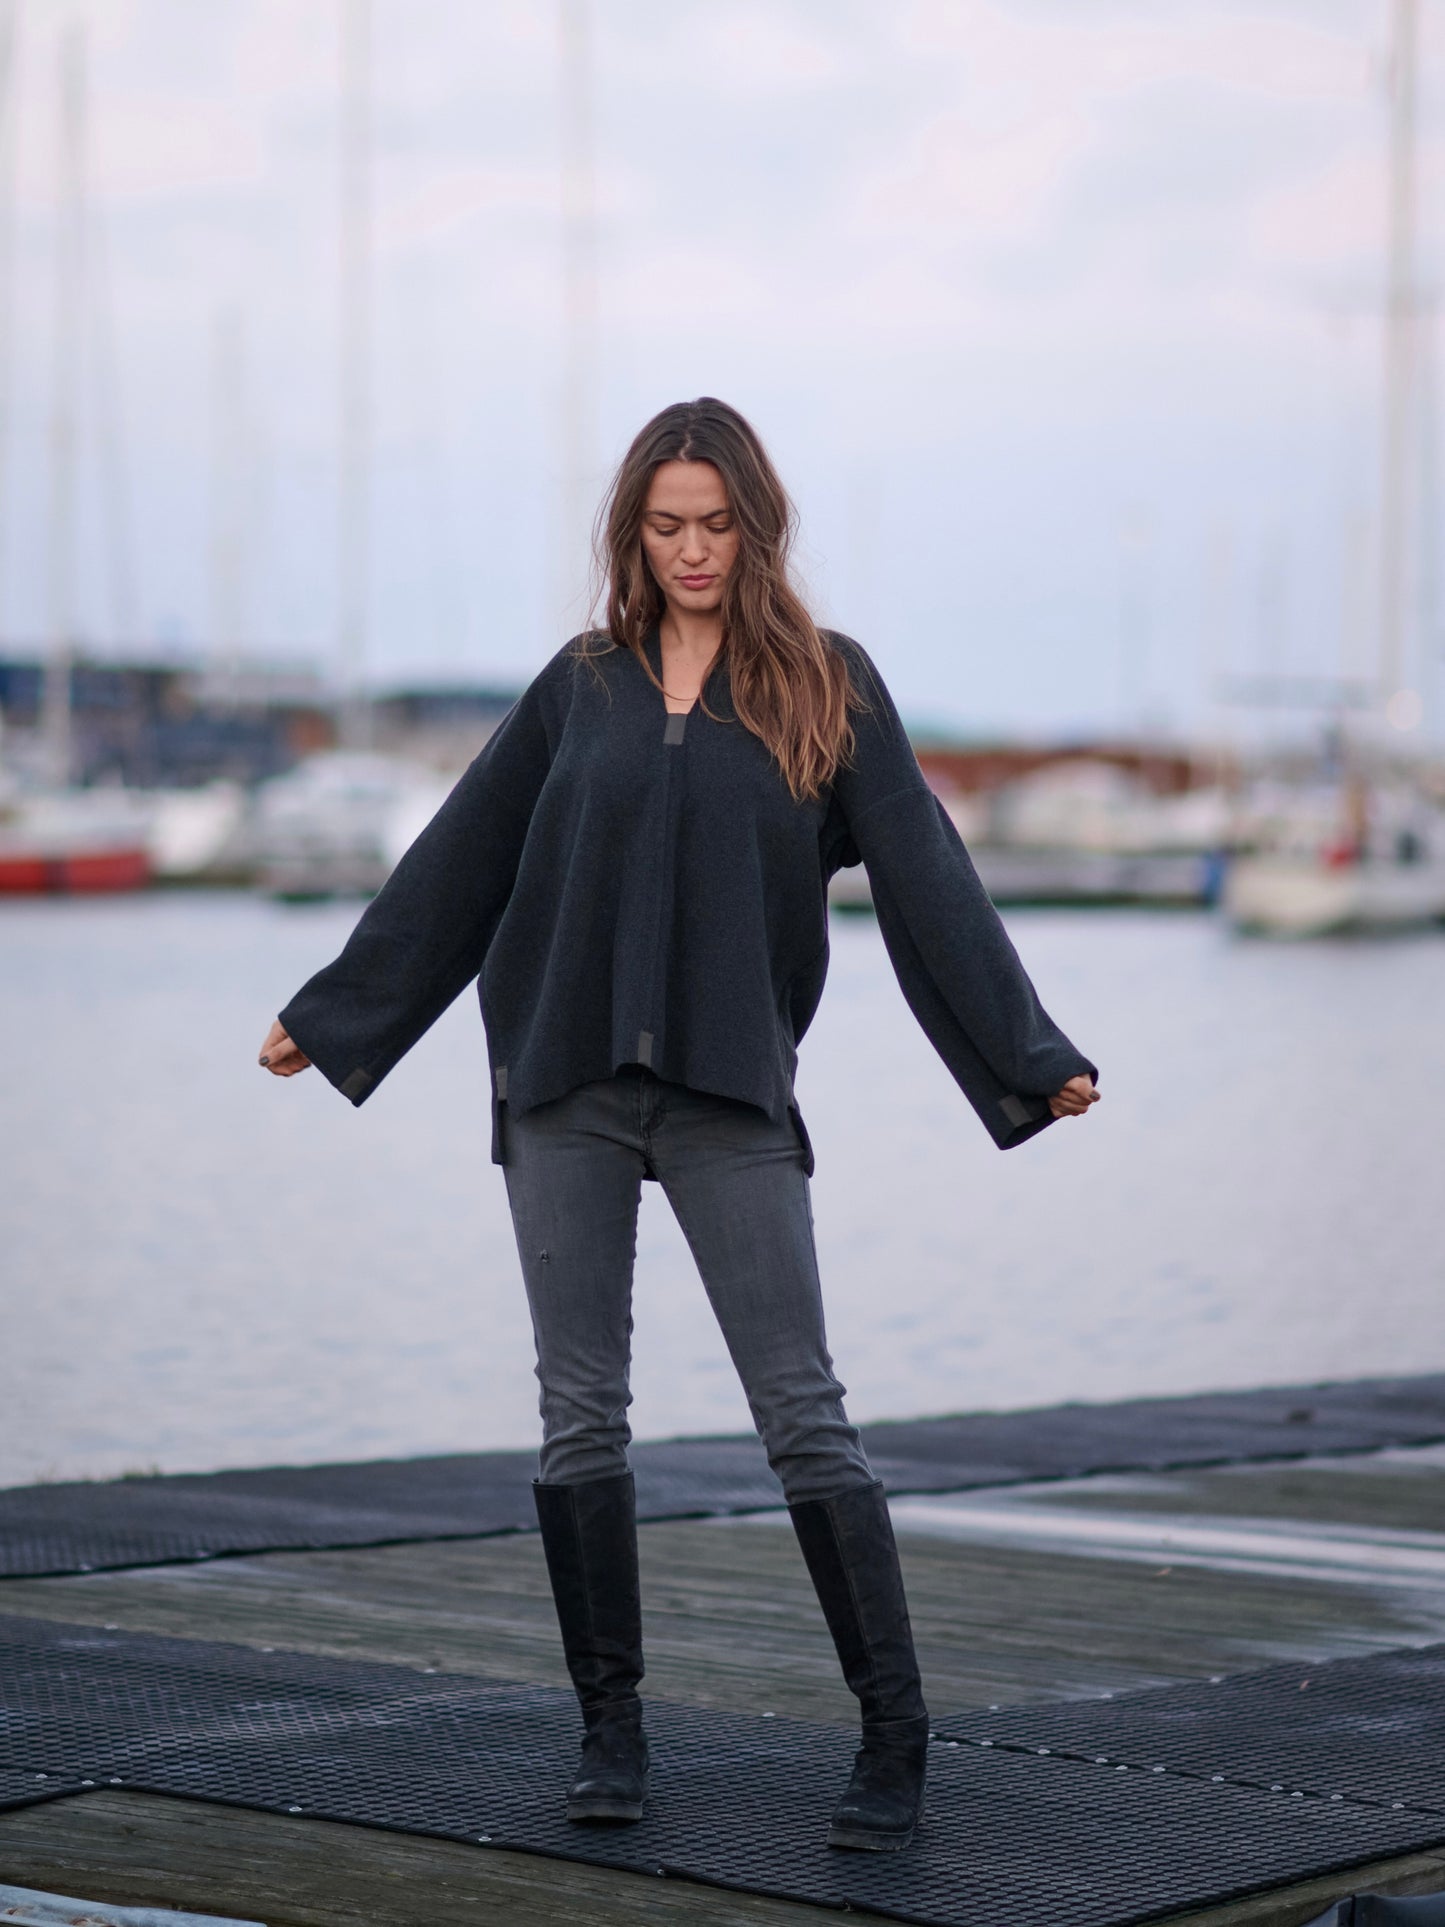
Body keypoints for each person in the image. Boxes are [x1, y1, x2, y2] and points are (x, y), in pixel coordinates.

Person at [258, 396, 1099, 1854]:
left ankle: (893, 1741)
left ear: (754, 530)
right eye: (666, 527)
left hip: (729, 1091)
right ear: (632, 535)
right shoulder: (581, 684)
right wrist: (337, 1015)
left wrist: (1027, 1055)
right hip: (564, 1083)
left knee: (804, 1416)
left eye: (715, 525)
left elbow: (926, 878)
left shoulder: (828, 686)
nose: (692, 551)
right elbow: (461, 857)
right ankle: (611, 1735)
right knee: (579, 1413)